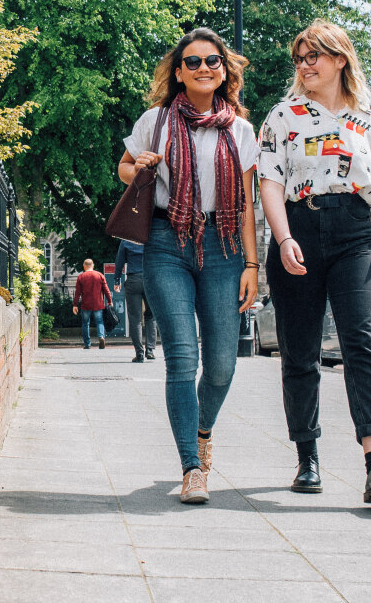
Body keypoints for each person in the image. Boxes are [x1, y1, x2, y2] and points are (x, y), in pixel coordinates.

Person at [257, 19, 371, 504]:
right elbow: (270, 184)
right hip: (299, 229)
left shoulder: (367, 121)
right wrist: (282, 239)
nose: (304, 67)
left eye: (313, 57)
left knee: (364, 343)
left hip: (355, 234)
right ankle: (308, 457)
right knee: (300, 351)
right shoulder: (282, 116)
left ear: (340, 59)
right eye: (299, 59)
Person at [118, 27, 260, 504]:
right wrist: (138, 167)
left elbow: (244, 204)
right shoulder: (155, 120)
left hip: (222, 245)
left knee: (221, 365)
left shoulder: (240, 129)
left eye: (212, 61)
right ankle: (191, 467)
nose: (203, 69)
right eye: (193, 62)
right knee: (182, 357)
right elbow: (124, 166)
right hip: (164, 240)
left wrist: (252, 264)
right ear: (178, 71)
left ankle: (202, 430)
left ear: (225, 71)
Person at [114, 240, 158, 363]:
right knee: (151, 315)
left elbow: (119, 261)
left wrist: (117, 280)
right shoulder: (149, 237)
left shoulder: (125, 241)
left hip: (133, 279)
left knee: (135, 318)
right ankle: (150, 349)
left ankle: (139, 353)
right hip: (150, 279)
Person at [72, 259, 112, 350]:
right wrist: (110, 301)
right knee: (100, 322)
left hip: (86, 305)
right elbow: (106, 290)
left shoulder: (81, 277)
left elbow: (77, 293)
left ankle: (87, 344)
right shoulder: (100, 275)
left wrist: (75, 305)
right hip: (98, 304)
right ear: (93, 266)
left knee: (85, 324)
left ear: (84, 266)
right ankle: (101, 337)